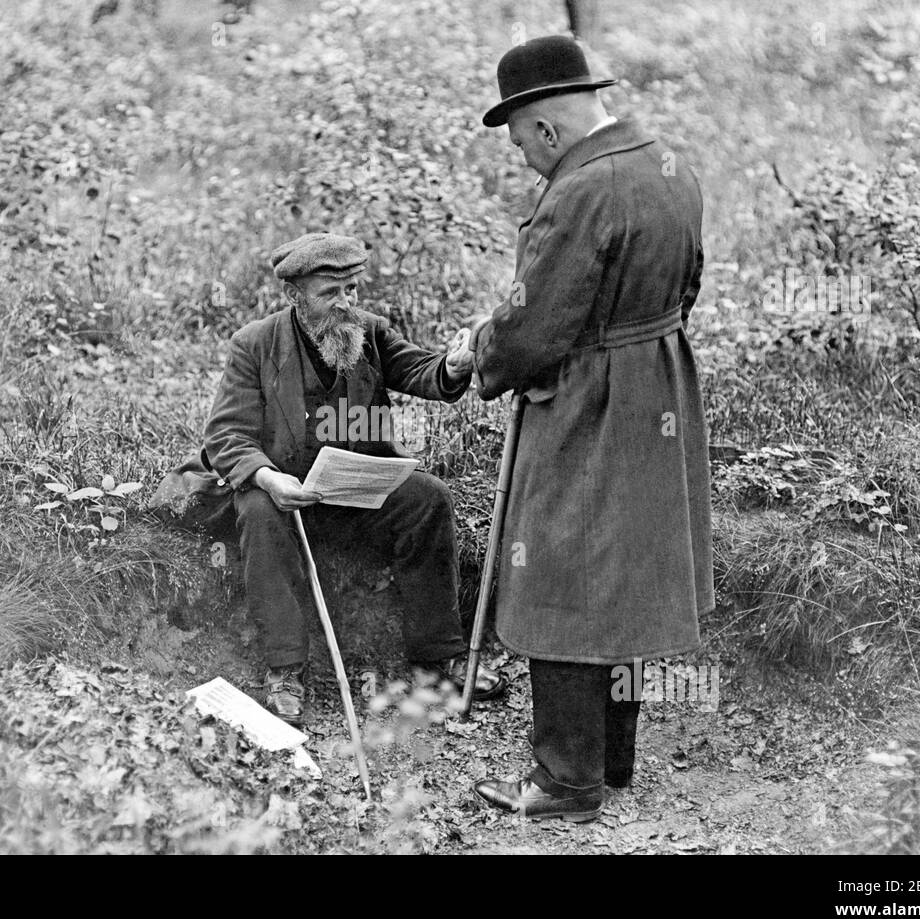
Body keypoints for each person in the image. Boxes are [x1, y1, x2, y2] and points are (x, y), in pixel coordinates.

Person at [468, 36, 714, 822]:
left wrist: (484, 357)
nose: (525, 161)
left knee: (559, 572)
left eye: (520, 145)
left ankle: (564, 783)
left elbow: (533, 323)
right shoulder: (668, 164)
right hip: (660, 384)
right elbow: (692, 281)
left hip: (589, 396)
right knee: (627, 570)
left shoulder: (579, 192)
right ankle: (613, 759)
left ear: (545, 128)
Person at [155, 233, 507, 725]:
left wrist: (451, 365)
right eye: (330, 294)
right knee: (256, 505)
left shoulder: (369, 333)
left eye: (352, 290)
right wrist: (267, 477)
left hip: (349, 495)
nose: (346, 305)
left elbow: (422, 371)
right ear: (295, 296)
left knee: (428, 498)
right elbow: (227, 435)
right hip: (284, 503)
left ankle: (437, 661)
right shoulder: (254, 346)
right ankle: (285, 670)